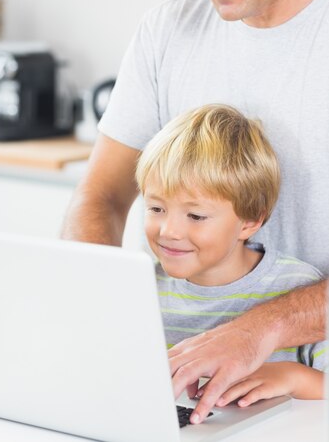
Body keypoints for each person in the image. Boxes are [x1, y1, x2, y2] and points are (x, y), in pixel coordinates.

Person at [62, 0, 329, 423]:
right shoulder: (167, 32)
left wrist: (259, 329)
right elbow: (100, 197)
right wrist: (90, 307)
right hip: (184, 393)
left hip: (310, 389)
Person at [135, 104, 326, 417]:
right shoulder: (141, 287)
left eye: (195, 215)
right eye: (156, 208)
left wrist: (295, 378)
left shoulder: (297, 289)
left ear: (249, 222)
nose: (169, 231)